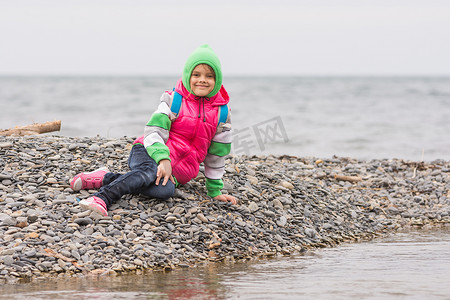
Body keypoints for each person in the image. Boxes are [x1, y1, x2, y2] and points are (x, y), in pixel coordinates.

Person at [70, 44, 237, 216]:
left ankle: (105, 177)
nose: (202, 79)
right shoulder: (173, 100)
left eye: (209, 76)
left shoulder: (222, 113)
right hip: (149, 150)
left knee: (164, 191)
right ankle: (102, 197)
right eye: (196, 74)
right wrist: (163, 159)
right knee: (149, 171)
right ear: (188, 75)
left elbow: (217, 154)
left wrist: (215, 191)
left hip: (177, 171)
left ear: (217, 80)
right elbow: (153, 131)